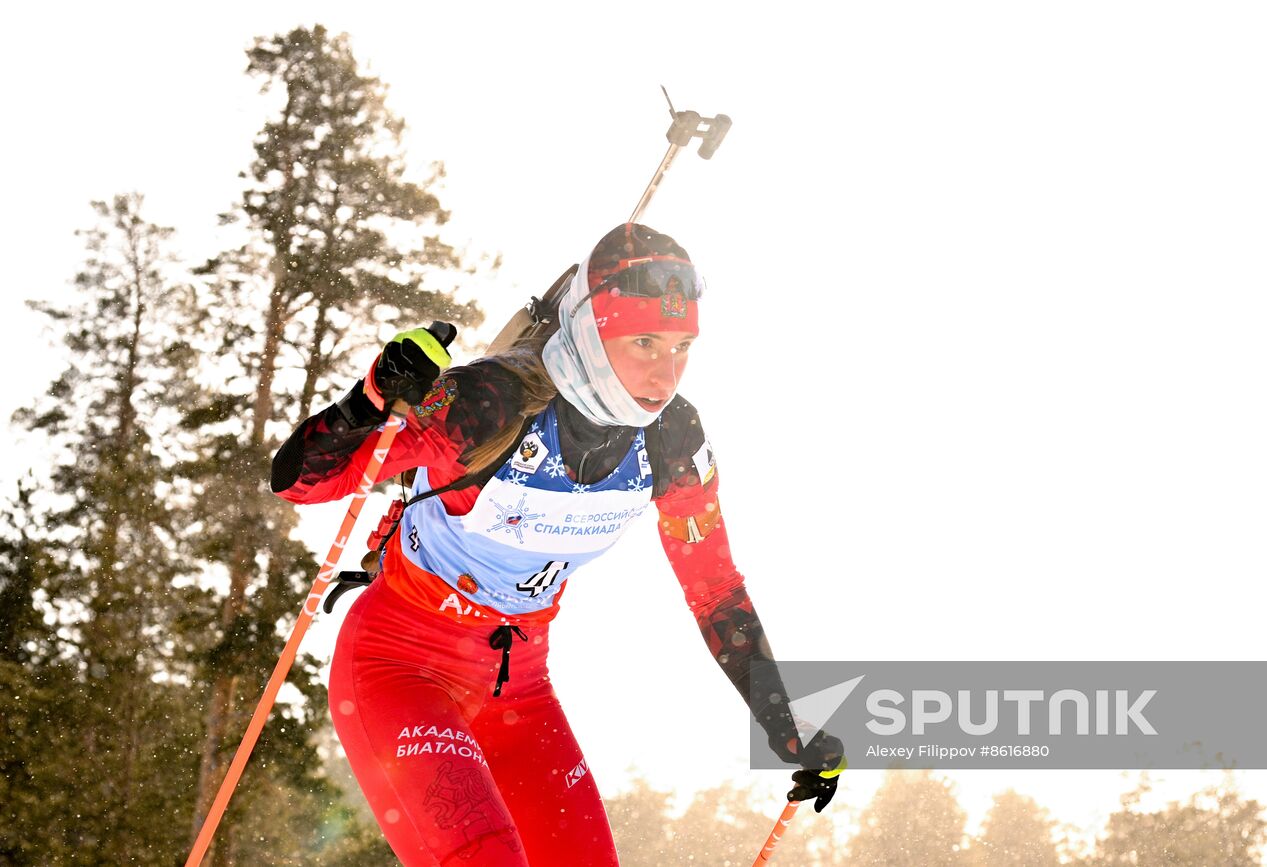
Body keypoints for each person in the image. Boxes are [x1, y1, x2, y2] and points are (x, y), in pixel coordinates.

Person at [270, 223, 844, 865]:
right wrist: (371, 399)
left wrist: (785, 723)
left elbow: (714, 589)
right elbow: (299, 482)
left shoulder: (672, 438)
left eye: (683, 346)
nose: (665, 372)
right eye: (645, 342)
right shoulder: (489, 401)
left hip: (518, 691)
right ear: (593, 332)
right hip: (400, 668)